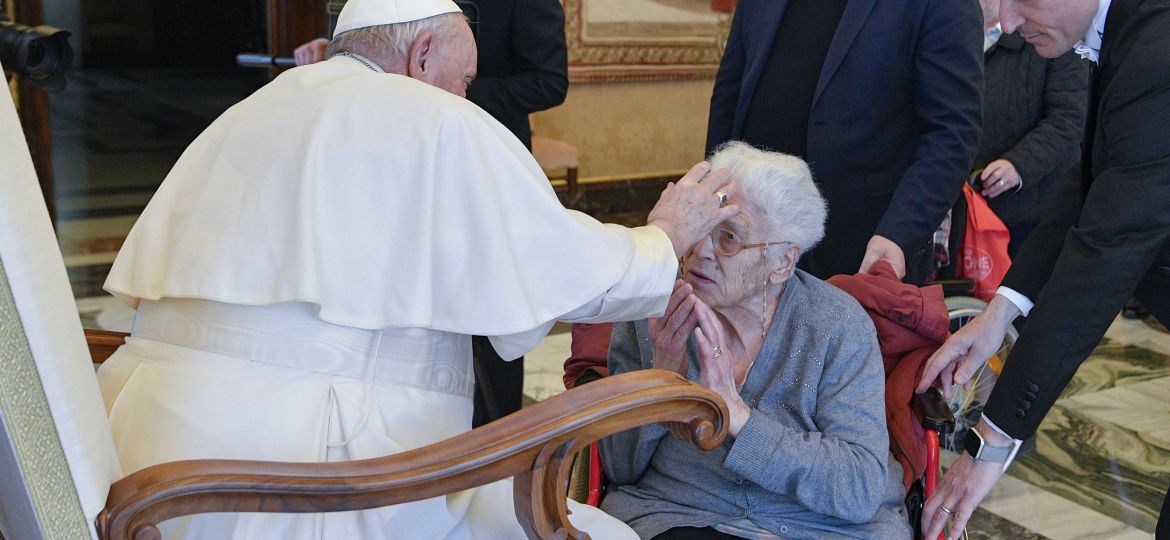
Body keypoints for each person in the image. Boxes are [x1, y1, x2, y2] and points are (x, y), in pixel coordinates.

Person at [95, 1, 742, 538]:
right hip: (317, 477)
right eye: (464, 79)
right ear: (423, 55)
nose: (465, 95)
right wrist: (663, 237)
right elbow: (559, 266)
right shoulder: (435, 118)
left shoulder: (252, 110)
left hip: (152, 459)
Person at [915, 0, 1170, 538]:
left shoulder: (1157, 51)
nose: (1005, 23)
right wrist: (996, 317)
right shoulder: (1130, 28)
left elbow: (1102, 256)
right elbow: (1089, 184)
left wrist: (993, 438)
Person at [599, 142, 912, 540]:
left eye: (728, 237)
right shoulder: (653, 312)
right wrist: (662, 381)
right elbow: (618, 469)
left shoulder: (836, 325)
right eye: (699, 229)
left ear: (782, 262)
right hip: (681, 514)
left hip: (815, 527)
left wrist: (737, 416)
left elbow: (859, 487)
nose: (699, 252)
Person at [296, 0, 569, 427]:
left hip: (477, 161)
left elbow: (549, 83)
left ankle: (492, 440)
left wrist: (447, 84)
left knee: (486, 309)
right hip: (392, 161)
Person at [706, 0, 984, 285]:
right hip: (746, 234)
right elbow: (730, 95)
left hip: (863, 247)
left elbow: (952, 134)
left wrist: (899, 234)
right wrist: (709, 198)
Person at [973, 0, 1089, 257]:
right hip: (962, 207)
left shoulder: (1051, 37)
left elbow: (1068, 119)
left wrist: (1019, 165)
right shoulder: (949, 37)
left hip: (1030, 209)